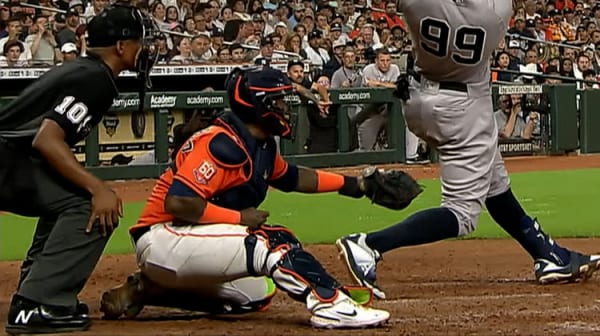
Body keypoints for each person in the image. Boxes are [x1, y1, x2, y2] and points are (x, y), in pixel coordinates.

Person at [333, 0, 600, 301]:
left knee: (494, 182)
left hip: (419, 100)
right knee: (461, 215)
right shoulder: (496, 5)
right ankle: (369, 244)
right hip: (463, 109)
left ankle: (547, 255)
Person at [97, 65, 391, 329]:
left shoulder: (257, 143)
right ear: (259, 106)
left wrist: (354, 186)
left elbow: (291, 177)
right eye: (277, 101)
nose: (284, 107)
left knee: (255, 296)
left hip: (188, 243)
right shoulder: (221, 143)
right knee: (273, 241)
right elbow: (179, 202)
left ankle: (147, 290)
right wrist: (238, 218)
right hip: (163, 238)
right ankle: (330, 303)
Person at [0, 3, 158, 334]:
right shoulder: (95, 77)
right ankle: (38, 304)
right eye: (140, 43)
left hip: (12, 157)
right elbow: (47, 140)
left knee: (70, 194)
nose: (144, 50)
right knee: (91, 203)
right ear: (121, 46)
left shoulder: (86, 70)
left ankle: (35, 290)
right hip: (8, 159)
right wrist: (97, 187)